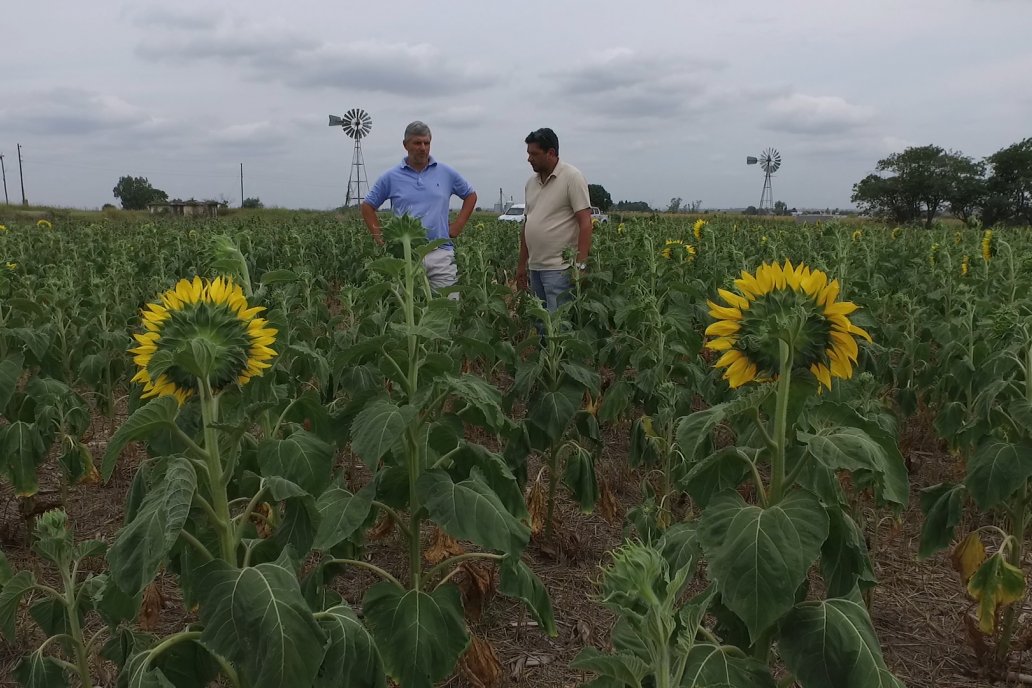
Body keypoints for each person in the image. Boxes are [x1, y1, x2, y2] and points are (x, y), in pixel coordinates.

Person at [361, 121, 477, 297]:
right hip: (405, 256)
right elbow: (368, 206)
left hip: (440, 253)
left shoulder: (446, 172)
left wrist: (457, 226)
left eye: (426, 143)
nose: (422, 148)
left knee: (446, 309)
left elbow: (470, 195)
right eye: (417, 143)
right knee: (407, 313)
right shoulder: (391, 177)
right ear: (405, 145)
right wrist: (381, 238)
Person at [515, 127, 593, 312]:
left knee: (558, 324)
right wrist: (521, 266)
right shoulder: (530, 184)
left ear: (551, 153)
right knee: (542, 324)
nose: (529, 159)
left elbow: (585, 223)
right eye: (528, 153)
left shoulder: (572, 177)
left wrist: (581, 265)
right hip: (535, 267)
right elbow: (528, 225)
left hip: (560, 268)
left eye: (534, 154)